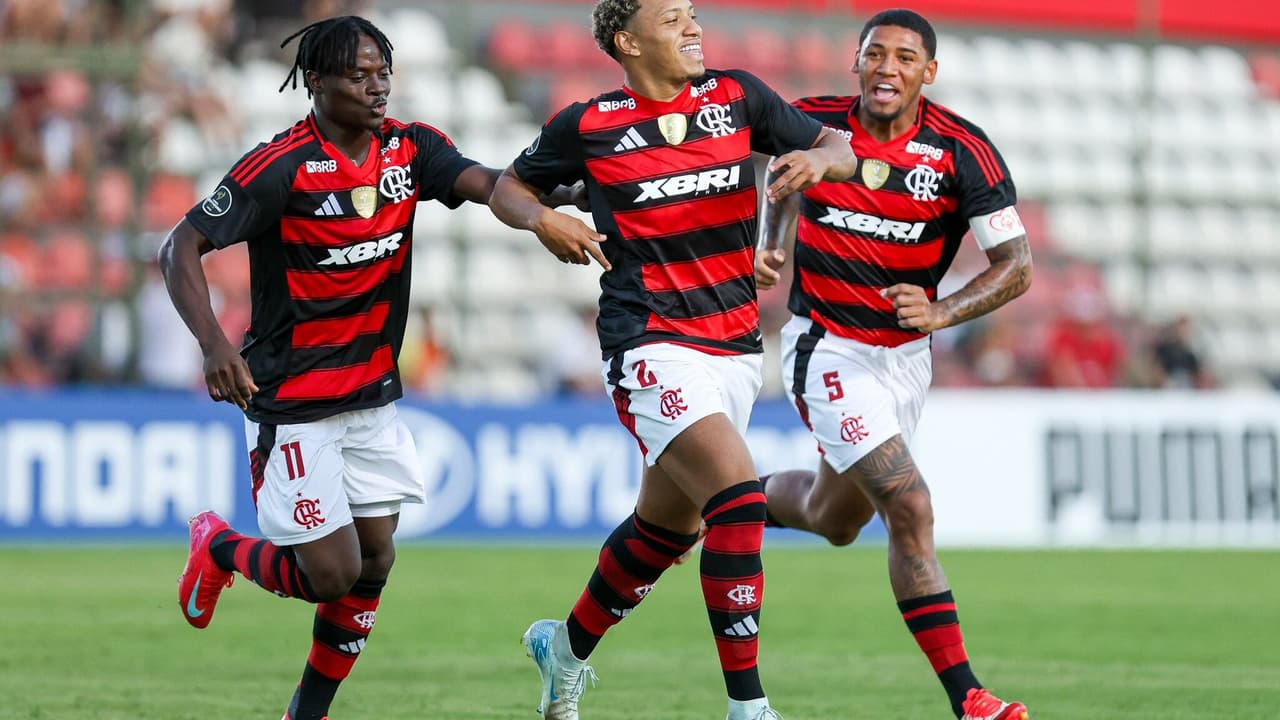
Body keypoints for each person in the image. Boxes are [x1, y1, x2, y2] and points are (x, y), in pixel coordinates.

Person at [160, 16, 537, 720]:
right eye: (359, 75)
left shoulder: (410, 150)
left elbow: (485, 182)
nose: (376, 86)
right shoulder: (278, 167)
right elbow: (180, 245)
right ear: (316, 81)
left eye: (382, 72)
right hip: (294, 400)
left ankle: (309, 712)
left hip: (371, 398)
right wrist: (213, 344)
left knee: (375, 562)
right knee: (330, 574)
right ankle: (219, 547)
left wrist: (542, 215)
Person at [488, 1, 856, 719]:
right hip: (649, 340)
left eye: (692, 15)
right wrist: (543, 218)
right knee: (739, 499)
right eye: (672, 18)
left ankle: (562, 650)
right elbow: (510, 186)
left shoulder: (738, 97)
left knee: (665, 533)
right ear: (627, 41)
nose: (692, 28)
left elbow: (840, 144)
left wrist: (818, 157)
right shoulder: (588, 125)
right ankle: (747, 707)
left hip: (735, 347)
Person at [753, 9, 1032, 720]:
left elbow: (1016, 266)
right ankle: (969, 697)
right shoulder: (812, 122)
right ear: (856, 63)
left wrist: (942, 312)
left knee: (834, 517)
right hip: (828, 347)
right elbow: (773, 173)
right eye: (875, 54)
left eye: (906, 58)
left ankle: (723, 499)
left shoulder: (963, 150)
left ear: (927, 74)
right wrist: (773, 239)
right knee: (909, 507)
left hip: (906, 359)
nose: (888, 67)